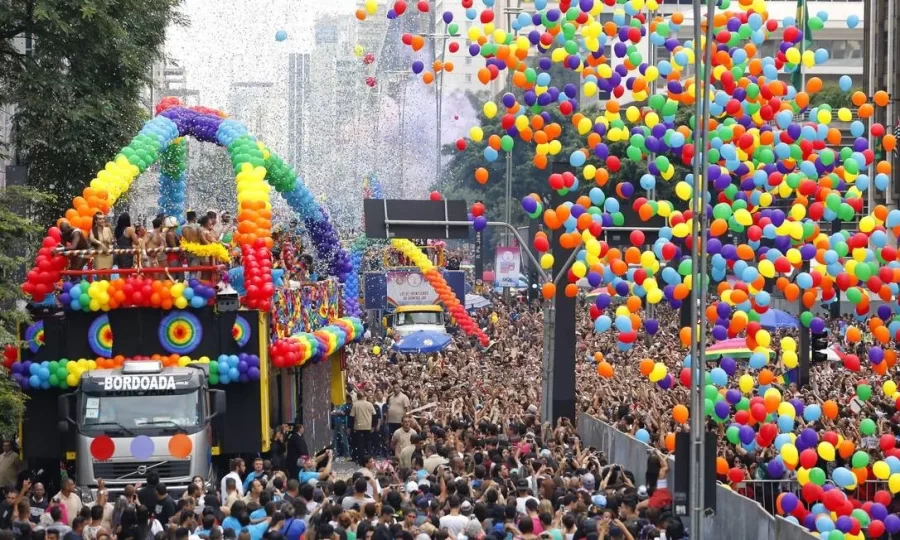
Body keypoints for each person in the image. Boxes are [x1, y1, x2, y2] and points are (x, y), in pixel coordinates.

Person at [349, 393, 376, 464]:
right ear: (364, 396)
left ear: (358, 397)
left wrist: (350, 427)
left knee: (360, 444)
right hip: (368, 426)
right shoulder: (369, 404)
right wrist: (373, 426)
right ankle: (368, 459)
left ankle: (361, 460)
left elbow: (351, 416)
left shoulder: (355, 404)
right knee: (368, 444)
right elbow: (374, 415)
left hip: (358, 427)